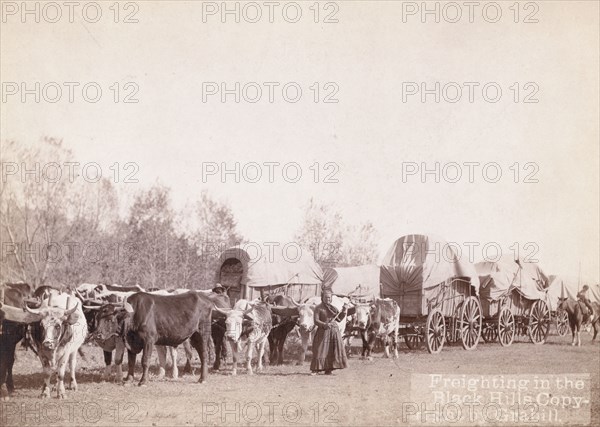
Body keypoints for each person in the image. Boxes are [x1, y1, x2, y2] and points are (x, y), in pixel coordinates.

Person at [310, 289, 348, 375]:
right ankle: (315, 369)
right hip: (323, 331)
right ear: (322, 298)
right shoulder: (318, 308)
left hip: (334, 331)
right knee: (319, 349)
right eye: (326, 297)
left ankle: (329, 369)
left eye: (329, 298)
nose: (328, 299)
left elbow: (338, 319)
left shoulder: (333, 308)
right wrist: (324, 324)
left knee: (331, 350)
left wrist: (344, 311)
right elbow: (316, 321)